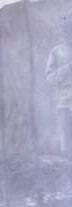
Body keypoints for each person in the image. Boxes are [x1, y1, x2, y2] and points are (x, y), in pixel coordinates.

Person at [45, 17, 72, 155]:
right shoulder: (56, 52)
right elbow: (49, 78)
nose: (68, 34)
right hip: (64, 101)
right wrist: (66, 69)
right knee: (66, 140)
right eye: (66, 31)